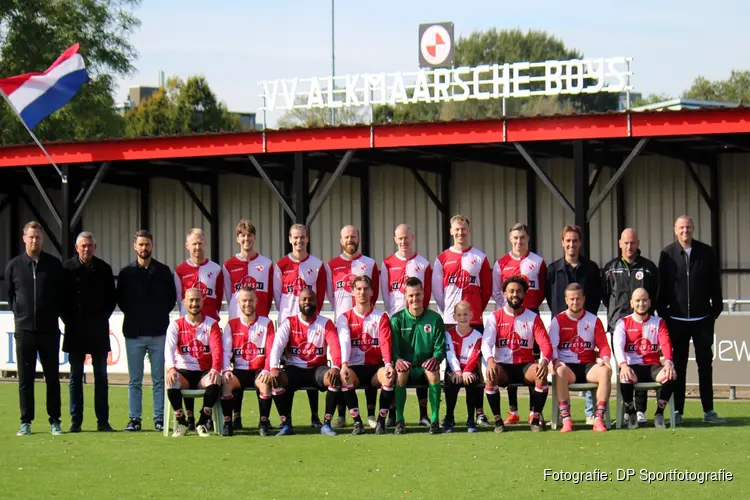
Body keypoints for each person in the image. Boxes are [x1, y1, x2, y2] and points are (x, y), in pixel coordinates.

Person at [657, 215, 724, 425]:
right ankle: (678, 411)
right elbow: (663, 286)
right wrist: (664, 312)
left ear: (693, 229)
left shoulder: (706, 252)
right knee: (679, 366)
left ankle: (709, 411)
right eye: (681, 227)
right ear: (675, 230)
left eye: (688, 227)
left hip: (703, 318)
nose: (685, 230)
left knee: (705, 365)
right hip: (676, 320)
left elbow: (715, 281)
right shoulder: (667, 254)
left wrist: (715, 309)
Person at [5, 221, 65, 436]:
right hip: (24, 331)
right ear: (24, 238)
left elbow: (61, 295)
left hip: (49, 331)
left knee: (52, 378)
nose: (34, 240)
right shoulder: (13, 265)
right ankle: (26, 421)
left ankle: (55, 420)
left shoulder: (54, 265)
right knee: (25, 379)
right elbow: (11, 295)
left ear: (42, 239)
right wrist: (21, 315)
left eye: (38, 237)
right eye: (30, 237)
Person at [432, 215, 492, 427]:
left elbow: (487, 290)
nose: (460, 233)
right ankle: (449, 416)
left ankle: (478, 414)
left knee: (474, 369)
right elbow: (438, 292)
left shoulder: (480, 258)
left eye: (464, 229)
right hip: (450, 321)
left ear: (469, 230)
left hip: (474, 321)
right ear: (451, 231)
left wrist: (475, 311)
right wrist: (449, 312)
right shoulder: (442, 259)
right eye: (456, 229)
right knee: (452, 369)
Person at [117, 229, 176, 432]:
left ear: (152, 245)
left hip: (159, 332)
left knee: (159, 379)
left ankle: (160, 418)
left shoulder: (163, 271)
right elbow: (122, 301)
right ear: (135, 246)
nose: (144, 248)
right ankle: (135, 419)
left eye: (147, 244)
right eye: (140, 244)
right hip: (134, 333)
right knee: (135, 380)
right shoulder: (126, 273)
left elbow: (171, 299)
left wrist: (155, 316)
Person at [601, 228, 659, 425]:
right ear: (620, 244)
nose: (629, 246)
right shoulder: (610, 268)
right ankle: (628, 408)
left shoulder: (649, 268)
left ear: (638, 243)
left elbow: (655, 295)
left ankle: (641, 410)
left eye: (632, 243)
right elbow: (605, 295)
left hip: (643, 324)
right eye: (625, 243)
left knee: (642, 362)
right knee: (624, 367)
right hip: (618, 326)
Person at [492, 222, 547, 426]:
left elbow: (541, 290)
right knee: (508, 356)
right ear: (510, 239)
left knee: (531, 363)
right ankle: (513, 411)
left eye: (522, 237)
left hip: (531, 316)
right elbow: (497, 290)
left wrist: (528, 308)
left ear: (527, 238)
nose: (518, 241)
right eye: (515, 238)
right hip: (508, 316)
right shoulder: (501, 263)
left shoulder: (538, 262)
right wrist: (507, 310)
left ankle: (534, 412)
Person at [61, 231, 117, 433]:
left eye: (90, 245)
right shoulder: (66, 269)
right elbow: (61, 301)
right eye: (83, 246)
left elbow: (112, 299)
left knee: (101, 376)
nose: (87, 249)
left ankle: (103, 421)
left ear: (95, 247)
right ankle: (75, 421)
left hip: (98, 330)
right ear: (77, 248)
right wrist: (70, 320)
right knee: (75, 376)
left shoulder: (104, 269)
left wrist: (101, 318)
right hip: (74, 330)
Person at [545, 224, 601, 424]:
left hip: (586, 328)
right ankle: (563, 412)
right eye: (568, 241)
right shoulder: (553, 269)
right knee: (560, 367)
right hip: (561, 331)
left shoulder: (592, 269)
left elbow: (596, 296)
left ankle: (590, 412)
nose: (571, 245)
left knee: (588, 363)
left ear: (580, 243)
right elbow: (550, 298)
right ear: (562, 243)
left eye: (575, 241)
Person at [273, 223, 328, 428]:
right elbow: (279, 296)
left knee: (312, 364)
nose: (299, 241)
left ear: (308, 239)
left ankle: (315, 416)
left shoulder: (317, 264)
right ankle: (287, 418)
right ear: (289, 239)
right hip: (289, 324)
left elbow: (320, 295)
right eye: (295, 238)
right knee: (290, 369)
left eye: (302, 237)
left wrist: (311, 315)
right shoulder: (281, 265)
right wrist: (289, 316)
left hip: (311, 322)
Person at [266, 289, 342, 436]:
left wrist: (336, 366)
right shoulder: (289, 322)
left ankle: (326, 424)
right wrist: (274, 367)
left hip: (317, 368)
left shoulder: (326, 323)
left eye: (310, 299)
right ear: (299, 303)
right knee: (275, 379)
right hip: (294, 368)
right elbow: (277, 346)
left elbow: (335, 346)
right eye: (304, 300)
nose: (307, 302)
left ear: (316, 302)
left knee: (334, 378)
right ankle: (286, 424)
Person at [482, 276, 553, 433]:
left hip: (525, 366)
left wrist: (544, 361)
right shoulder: (495, 317)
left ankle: (535, 419)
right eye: (511, 291)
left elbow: (546, 344)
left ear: (525, 294)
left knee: (541, 373)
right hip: (503, 367)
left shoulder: (533, 317)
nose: (515, 295)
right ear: (505, 294)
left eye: (519, 291)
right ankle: (498, 421)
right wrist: (490, 360)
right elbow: (486, 343)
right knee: (490, 374)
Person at [222, 220, 274, 430]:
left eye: (249, 235)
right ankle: (236, 415)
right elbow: (228, 294)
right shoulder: (228, 265)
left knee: (257, 368)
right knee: (236, 369)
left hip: (259, 325)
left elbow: (270, 295)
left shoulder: (267, 264)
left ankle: (264, 419)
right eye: (242, 236)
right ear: (237, 239)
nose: (246, 239)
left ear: (254, 238)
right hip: (237, 326)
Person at [326, 225, 379, 429]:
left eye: (353, 236)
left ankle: (372, 414)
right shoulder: (332, 265)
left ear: (358, 239)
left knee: (370, 362)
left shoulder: (370, 263)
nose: (350, 240)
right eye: (346, 237)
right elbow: (331, 295)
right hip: (343, 323)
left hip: (366, 320)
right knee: (343, 367)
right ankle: (342, 415)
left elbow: (375, 291)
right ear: (341, 241)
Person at [380, 223, 432, 428]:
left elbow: (426, 293)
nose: (403, 241)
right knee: (396, 365)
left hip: (418, 321)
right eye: (399, 238)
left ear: (413, 238)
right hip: (397, 322)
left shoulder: (423, 263)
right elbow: (385, 293)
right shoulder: (387, 264)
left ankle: (423, 413)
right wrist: (394, 317)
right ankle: (393, 411)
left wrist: (419, 315)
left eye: (406, 238)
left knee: (421, 362)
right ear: (395, 240)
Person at [174, 227, 223, 429]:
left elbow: (219, 298)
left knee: (208, 371)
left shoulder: (216, 269)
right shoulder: (180, 271)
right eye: (193, 243)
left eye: (200, 243)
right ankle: (190, 416)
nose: (197, 247)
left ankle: (207, 416)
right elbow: (179, 300)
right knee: (188, 367)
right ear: (187, 246)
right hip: (188, 327)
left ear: (205, 244)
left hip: (209, 328)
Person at [549, 283, 612, 433]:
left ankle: (598, 418)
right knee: (560, 371)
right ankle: (566, 420)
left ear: (583, 299)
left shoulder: (594, 320)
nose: (575, 302)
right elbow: (552, 347)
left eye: (578, 299)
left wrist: (605, 359)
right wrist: (556, 362)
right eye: (571, 299)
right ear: (566, 300)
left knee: (605, 371)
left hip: (588, 366)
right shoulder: (557, 321)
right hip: (568, 367)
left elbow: (603, 345)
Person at [336, 275, 395, 435]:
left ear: (372, 292)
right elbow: (344, 342)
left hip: (375, 368)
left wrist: (388, 364)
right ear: (353, 292)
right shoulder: (344, 317)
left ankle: (381, 422)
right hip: (354, 367)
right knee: (344, 377)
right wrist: (344, 364)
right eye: (359, 289)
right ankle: (357, 422)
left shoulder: (381, 316)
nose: (362, 292)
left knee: (389, 376)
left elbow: (385, 342)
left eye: (365, 289)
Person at [614, 288, 677, 429]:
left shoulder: (659, 322)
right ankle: (631, 412)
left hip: (653, 366)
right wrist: (623, 365)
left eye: (644, 300)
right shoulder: (622, 323)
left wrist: (668, 362)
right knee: (624, 376)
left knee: (671, 374)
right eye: (637, 300)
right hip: (632, 366)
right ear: (631, 303)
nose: (641, 303)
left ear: (649, 302)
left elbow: (665, 342)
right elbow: (617, 345)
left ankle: (659, 413)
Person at [164, 288, 223, 437]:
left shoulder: (212, 324)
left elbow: (217, 350)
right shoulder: (176, 325)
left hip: (204, 372)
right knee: (172, 381)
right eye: (191, 300)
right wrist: (171, 369)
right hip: (183, 371)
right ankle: (182, 422)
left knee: (215, 381)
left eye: (197, 300)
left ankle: (203, 422)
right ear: (184, 302)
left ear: (203, 301)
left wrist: (216, 369)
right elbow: (169, 350)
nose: (194, 303)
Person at [390, 277, 446, 435]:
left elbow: (440, 347)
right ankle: (400, 421)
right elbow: (392, 348)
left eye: (417, 294)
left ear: (423, 294)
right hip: (407, 367)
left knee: (434, 373)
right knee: (400, 373)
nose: (415, 298)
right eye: (411, 295)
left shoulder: (435, 319)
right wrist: (397, 360)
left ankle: (434, 421)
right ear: (406, 296)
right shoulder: (396, 320)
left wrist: (435, 359)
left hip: (425, 367)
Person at [220, 287, 275, 437]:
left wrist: (267, 369)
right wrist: (226, 370)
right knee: (226, 382)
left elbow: (271, 351)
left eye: (250, 300)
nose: (247, 303)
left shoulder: (267, 323)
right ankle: (227, 422)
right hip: (239, 370)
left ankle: (263, 423)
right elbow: (225, 352)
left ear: (256, 301)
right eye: (244, 300)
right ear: (238, 302)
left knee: (265, 382)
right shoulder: (232, 325)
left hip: (259, 371)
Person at [443, 301, 483, 434]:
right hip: (454, 369)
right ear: (454, 317)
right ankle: (449, 418)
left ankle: (471, 419)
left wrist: (466, 372)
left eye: (465, 314)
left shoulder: (478, 336)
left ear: (471, 315)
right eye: (459, 315)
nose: (462, 317)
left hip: (469, 370)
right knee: (453, 382)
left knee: (470, 381)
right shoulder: (448, 333)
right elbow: (450, 354)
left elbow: (474, 356)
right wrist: (458, 371)